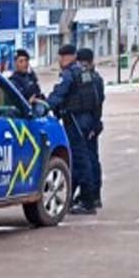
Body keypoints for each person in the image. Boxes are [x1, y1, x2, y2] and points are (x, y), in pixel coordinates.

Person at [47, 44, 101, 215]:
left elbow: (58, 95)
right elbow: (96, 99)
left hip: (74, 122)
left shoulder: (69, 74)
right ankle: (87, 197)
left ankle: (87, 201)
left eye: (61, 57)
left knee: (79, 161)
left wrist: (43, 107)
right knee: (85, 160)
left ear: (68, 57)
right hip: (86, 121)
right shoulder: (85, 73)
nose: (60, 61)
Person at [76, 48, 106, 208]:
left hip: (86, 124)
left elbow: (94, 102)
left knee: (86, 160)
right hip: (93, 123)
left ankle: (90, 196)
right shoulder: (97, 78)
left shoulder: (88, 78)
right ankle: (94, 196)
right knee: (92, 159)